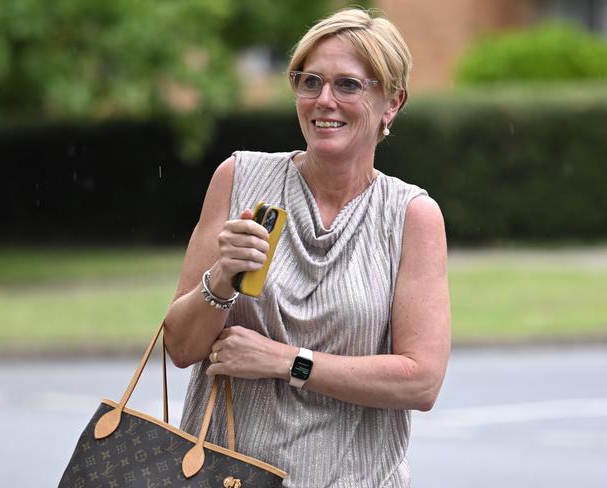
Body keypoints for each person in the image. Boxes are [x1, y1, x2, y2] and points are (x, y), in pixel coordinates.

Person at [164, 7, 450, 488]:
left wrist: (285, 361)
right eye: (310, 81)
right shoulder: (239, 179)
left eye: (349, 85)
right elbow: (180, 346)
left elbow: (420, 381)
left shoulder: (410, 216)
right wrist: (221, 279)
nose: (324, 100)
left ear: (392, 102)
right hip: (224, 476)